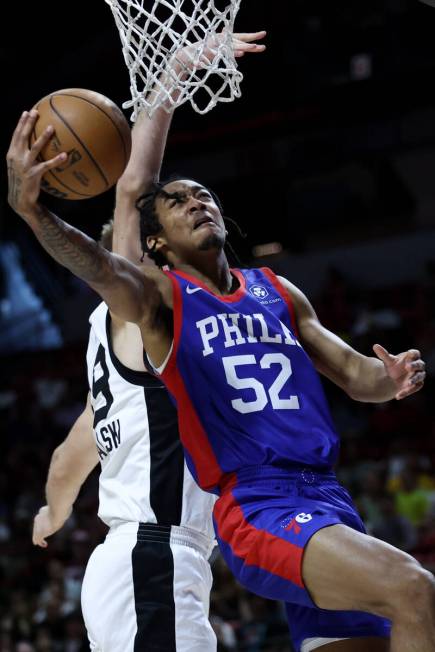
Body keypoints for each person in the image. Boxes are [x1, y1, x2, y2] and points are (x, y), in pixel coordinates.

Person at [7, 38, 434, 652]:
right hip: (189, 534)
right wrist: (36, 213)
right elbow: (130, 199)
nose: (197, 201)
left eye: (203, 194)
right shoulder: (152, 306)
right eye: (176, 204)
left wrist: (53, 512)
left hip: (280, 511)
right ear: (148, 249)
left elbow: (70, 454)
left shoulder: (266, 294)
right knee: (413, 589)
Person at [30, 31, 266, 652]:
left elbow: (68, 459)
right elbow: (135, 186)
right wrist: (174, 73)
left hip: (130, 566)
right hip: (152, 560)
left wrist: (53, 514)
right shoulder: (135, 309)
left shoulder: (111, 352)